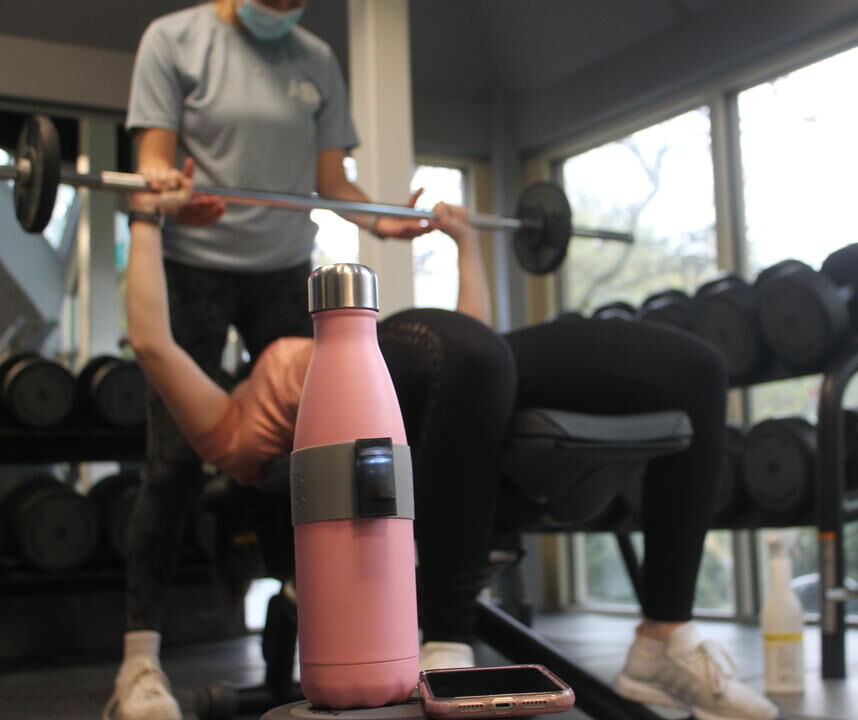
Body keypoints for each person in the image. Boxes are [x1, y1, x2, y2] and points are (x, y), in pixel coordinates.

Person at [109, 164, 780, 720]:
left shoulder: (442, 356)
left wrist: (465, 243)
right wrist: (144, 218)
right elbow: (152, 340)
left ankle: (664, 637)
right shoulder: (230, 432)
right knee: (475, 357)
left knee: (696, 369)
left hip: (449, 366)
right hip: (424, 367)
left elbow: (479, 351)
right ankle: (446, 638)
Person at [119, 2, 432, 718]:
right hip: (194, 263)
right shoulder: (174, 41)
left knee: (314, 465)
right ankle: (138, 665)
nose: (286, 8)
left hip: (285, 271)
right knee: (170, 463)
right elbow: (154, 164)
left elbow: (333, 180)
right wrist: (165, 195)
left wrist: (377, 218)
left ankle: (310, 650)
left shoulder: (316, 59)